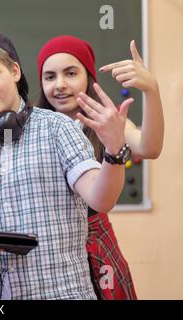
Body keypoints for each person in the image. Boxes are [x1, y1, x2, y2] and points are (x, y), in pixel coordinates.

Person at [0, 26, 133, 300]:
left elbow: (101, 199)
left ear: (14, 72)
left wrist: (113, 149)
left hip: (59, 291)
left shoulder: (59, 128)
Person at [35, 35, 164, 299]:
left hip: (97, 249)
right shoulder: (32, 128)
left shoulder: (109, 123)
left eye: (71, 73)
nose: (60, 85)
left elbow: (150, 148)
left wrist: (152, 90)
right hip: (49, 253)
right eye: (49, 77)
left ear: (89, 77)